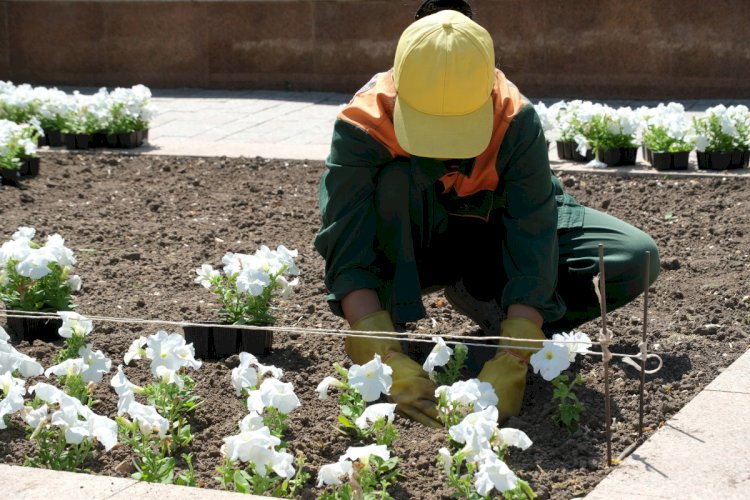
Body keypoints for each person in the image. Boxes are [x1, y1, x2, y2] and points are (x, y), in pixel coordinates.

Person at [314, 8, 660, 427]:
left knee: (633, 255)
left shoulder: (515, 117)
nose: (444, 148)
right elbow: (346, 248)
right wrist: (379, 353)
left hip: (492, 239)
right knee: (394, 182)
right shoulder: (362, 125)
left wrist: (516, 352)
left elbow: (534, 233)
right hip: (415, 245)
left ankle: (494, 308)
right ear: (399, 90)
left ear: (489, 91)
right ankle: (396, 330)